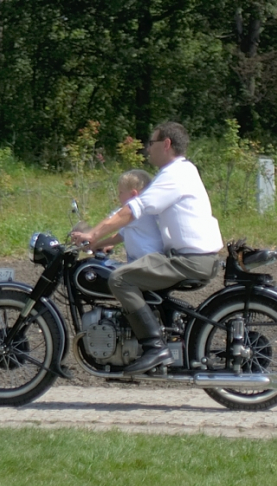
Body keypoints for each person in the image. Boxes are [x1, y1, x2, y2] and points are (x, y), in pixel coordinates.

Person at [72, 122, 223, 374]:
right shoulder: (181, 172)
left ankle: (154, 347)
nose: (147, 148)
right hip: (190, 257)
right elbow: (134, 221)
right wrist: (103, 241)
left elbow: (133, 210)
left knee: (120, 279)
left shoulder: (173, 175)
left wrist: (93, 234)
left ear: (166, 144)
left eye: (151, 143)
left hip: (189, 259)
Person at [91, 169, 163, 263]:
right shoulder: (143, 213)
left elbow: (110, 221)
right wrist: (100, 244)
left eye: (121, 192)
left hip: (147, 259)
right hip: (143, 258)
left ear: (133, 194)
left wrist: (90, 237)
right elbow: (120, 235)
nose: (118, 196)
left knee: (115, 276)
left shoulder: (136, 213)